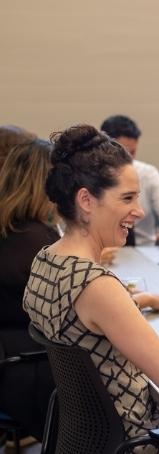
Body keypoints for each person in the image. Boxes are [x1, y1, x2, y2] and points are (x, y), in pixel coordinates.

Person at [23, 124, 159, 451]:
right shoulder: (96, 286)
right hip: (140, 444)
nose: (140, 211)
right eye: (127, 198)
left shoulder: (45, 260)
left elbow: (111, 352)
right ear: (86, 201)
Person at [0, 139, 57, 441]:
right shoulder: (38, 239)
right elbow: (71, 312)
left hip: (10, 358)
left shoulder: (9, 229)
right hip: (28, 365)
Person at [100, 115, 159, 248]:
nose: (129, 159)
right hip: (105, 253)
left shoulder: (148, 173)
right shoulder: (92, 177)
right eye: (123, 152)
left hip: (145, 249)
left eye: (132, 152)